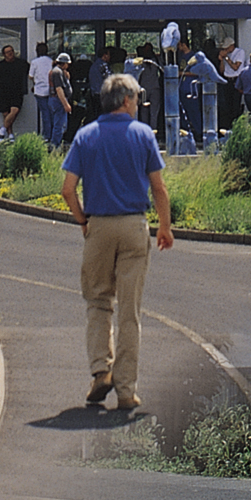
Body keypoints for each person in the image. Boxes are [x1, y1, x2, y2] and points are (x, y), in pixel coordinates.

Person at [60, 73, 174, 412]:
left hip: (98, 226)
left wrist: (82, 220)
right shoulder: (142, 135)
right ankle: (126, 390)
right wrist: (165, 226)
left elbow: (68, 189)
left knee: (97, 302)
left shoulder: (86, 135)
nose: (138, 105)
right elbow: (158, 187)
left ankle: (100, 371)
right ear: (125, 101)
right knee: (130, 311)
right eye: (136, 99)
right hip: (133, 225)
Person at [0, 45, 29, 142]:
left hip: (16, 92)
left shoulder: (21, 63)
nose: (10, 53)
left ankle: (2, 129)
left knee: (15, 111)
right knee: (6, 114)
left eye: (11, 51)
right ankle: (10, 135)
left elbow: (32, 72)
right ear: (4, 55)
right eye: (8, 52)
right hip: (2, 93)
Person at [28, 41, 57, 139]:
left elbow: (30, 76)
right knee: (51, 113)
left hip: (39, 91)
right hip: (50, 90)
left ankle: (46, 136)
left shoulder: (34, 62)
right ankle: (53, 135)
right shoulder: (51, 61)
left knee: (45, 114)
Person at [45, 52, 74, 147]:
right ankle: (55, 145)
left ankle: (56, 143)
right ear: (64, 63)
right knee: (59, 125)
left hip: (56, 100)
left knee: (60, 124)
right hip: (58, 101)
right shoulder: (57, 72)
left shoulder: (58, 72)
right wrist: (65, 104)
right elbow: (59, 89)